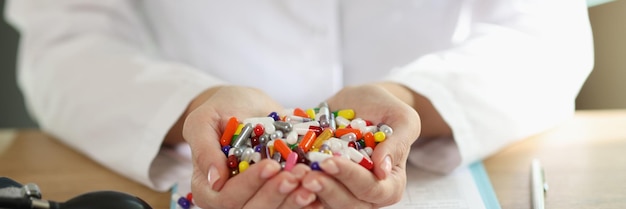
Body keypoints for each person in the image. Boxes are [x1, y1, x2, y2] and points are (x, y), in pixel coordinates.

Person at [5, 0, 593, 208]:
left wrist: (404, 101)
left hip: (448, 148)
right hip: (205, 145)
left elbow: (545, 33)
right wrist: (198, 106)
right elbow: (67, 40)